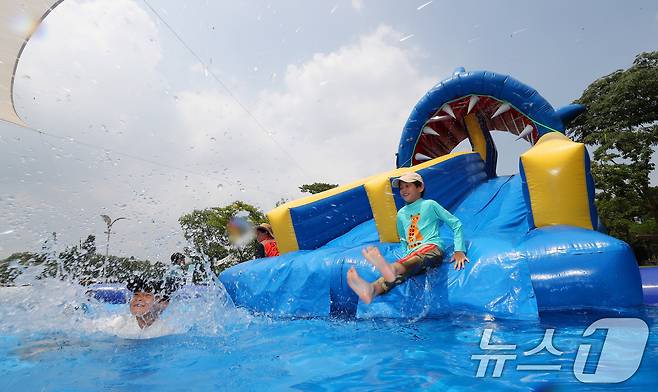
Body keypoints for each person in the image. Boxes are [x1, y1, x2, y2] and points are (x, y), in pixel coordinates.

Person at [347, 171, 469, 304]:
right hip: (411, 257)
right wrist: (406, 256)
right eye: (401, 188)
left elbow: (456, 224)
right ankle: (372, 289)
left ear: (420, 187)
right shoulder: (401, 214)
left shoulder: (429, 205)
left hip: (431, 248)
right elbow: (404, 240)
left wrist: (459, 251)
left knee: (405, 265)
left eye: (407, 186)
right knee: (394, 277)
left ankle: (393, 268)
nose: (403, 190)